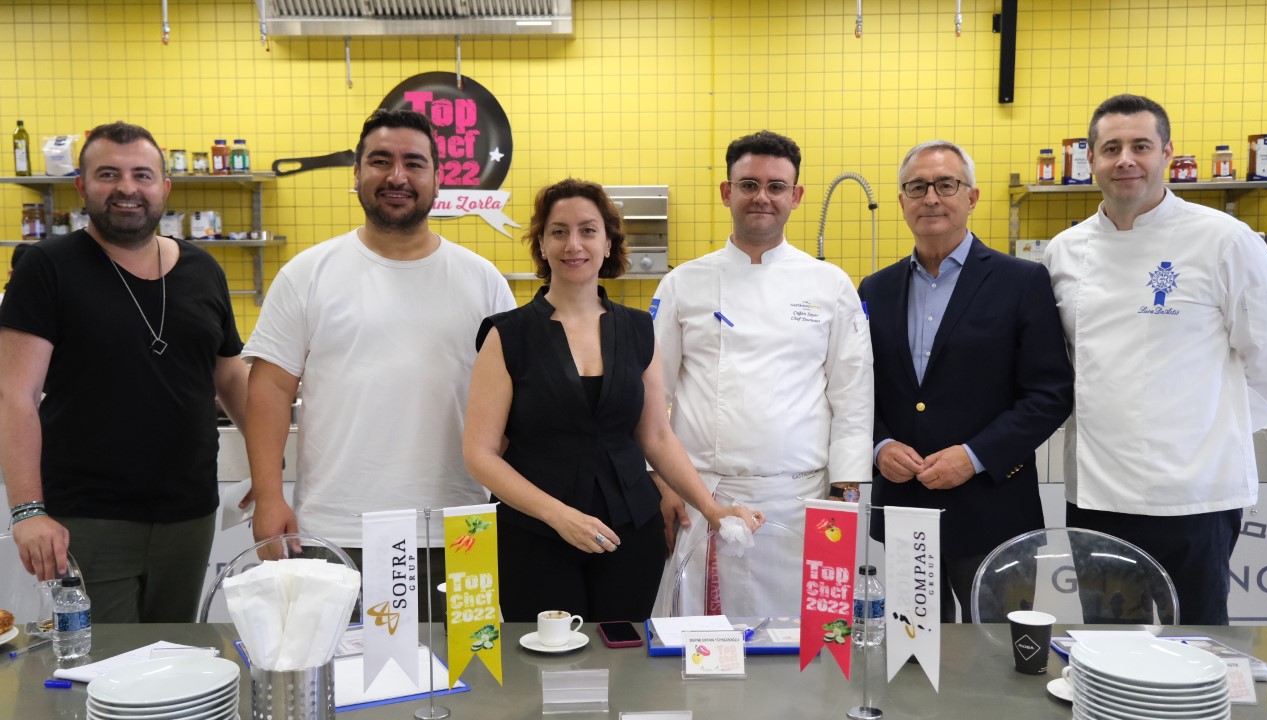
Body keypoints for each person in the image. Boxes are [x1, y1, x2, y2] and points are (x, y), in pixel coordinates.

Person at [242, 109, 515, 622]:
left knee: (470, 667)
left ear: (438, 178)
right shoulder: (307, 274)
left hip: (461, 529)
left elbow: (510, 405)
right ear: (357, 173)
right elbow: (270, 390)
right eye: (381, 161)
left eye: (414, 163)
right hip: (337, 530)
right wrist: (269, 497)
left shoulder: (484, 282)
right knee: (340, 670)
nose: (397, 176)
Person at [463, 178, 763, 622]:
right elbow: (480, 454)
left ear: (608, 244)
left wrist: (712, 509)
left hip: (631, 532)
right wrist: (559, 516)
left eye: (588, 230)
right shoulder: (507, 335)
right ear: (542, 244)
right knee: (548, 659)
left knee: (624, 656)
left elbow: (656, 436)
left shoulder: (638, 329)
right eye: (558, 231)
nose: (573, 244)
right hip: (534, 534)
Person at [1043, 94, 1267, 625]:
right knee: (1108, 645)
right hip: (1098, 492)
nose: (1125, 159)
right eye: (1112, 148)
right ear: (1091, 158)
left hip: (1196, 495)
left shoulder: (1225, 240)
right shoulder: (1063, 251)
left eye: (1141, 146)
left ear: (1167, 153)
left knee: (1198, 642)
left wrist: (1209, 432)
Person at [0, 121, 249, 622]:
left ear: (165, 187)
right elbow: (15, 395)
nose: (127, 188)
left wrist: (267, 470)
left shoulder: (203, 270)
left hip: (190, 512)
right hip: (89, 516)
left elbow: (231, 378)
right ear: (82, 186)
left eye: (142, 174)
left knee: (175, 649)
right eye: (108, 174)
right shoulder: (47, 267)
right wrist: (28, 511)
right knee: (104, 658)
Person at [648, 130, 873, 617]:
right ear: (726, 192)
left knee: (809, 641)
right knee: (704, 646)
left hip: (804, 500)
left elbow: (853, 398)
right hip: (704, 498)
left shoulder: (830, 285)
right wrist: (664, 484)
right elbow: (650, 400)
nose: (762, 197)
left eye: (776, 186)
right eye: (748, 185)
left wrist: (847, 490)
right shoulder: (683, 284)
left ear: (796, 196)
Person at [858, 140, 1074, 623]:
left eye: (946, 185)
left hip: (993, 509)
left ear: (971, 197)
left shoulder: (1021, 281)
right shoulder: (876, 288)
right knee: (912, 653)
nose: (931, 197)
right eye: (917, 187)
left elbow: (1049, 393)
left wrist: (974, 456)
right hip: (906, 509)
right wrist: (879, 445)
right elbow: (858, 388)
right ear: (902, 202)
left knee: (997, 654)